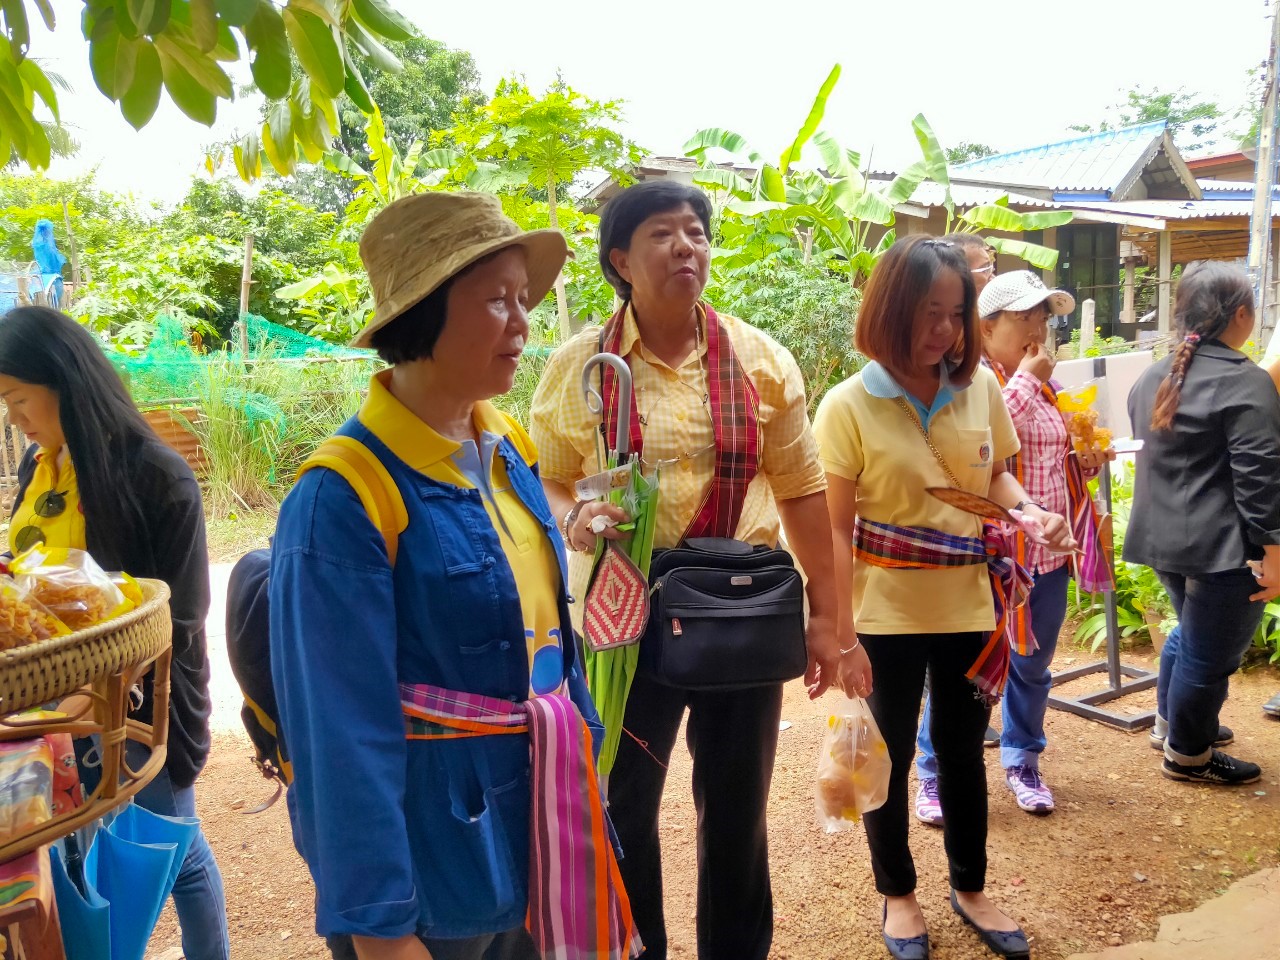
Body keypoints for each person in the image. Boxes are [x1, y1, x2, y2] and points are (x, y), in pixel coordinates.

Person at [270, 192, 635, 960]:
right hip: (434, 858)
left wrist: (582, 787)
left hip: (538, 815)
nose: (522, 322)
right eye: (495, 301)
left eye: (523, 299)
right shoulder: (344, 495)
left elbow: (549, 638)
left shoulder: (506, 444)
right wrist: (380, 926)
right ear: (424, 315)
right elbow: (338, 732)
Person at [528, 180, 871, 960]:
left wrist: (829, 622)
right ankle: (635, 948)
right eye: (662, 234)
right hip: (624, 623)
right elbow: (548, 476)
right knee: (621, 803)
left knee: (739, 812)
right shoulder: (581, 364)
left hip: (742, 617)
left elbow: (804, 496)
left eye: (697, 233)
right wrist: (573, 514)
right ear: (620, 258)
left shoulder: (760, 359)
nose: (687, 247)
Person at [813, 236, 1075, 960]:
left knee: (962, 752)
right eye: (929, 313)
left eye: (955, 314)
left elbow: (997, 480)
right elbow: (834, 532)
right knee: (886, 759)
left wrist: (1028, 514)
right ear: (890, 311)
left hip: (971, 608)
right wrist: (842, 635)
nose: (945, 332)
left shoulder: (979, 388)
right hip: (883, 615)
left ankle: (970, 886)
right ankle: (897, 895)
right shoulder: (846, 407)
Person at [0, 306, 227, 960]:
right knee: (93, 844)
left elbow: (179, 624)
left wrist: (102, 704)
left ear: (65, 381)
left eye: (18, 400)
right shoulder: (37, 471)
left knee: (175, 842)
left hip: (141, 704)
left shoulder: (158, 477)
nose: (14, 419)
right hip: (52, 710)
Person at [914, 270, 1113, 823]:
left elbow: (1049, 460)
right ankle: (931, 773)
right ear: (987, 324)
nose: (1038, 326)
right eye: (1026, 315)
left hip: (1045, 552)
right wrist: (1025, 381)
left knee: (1034, 664)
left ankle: (1022, 758)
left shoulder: (1045, 384)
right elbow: (982, 453)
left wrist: (1086, 461)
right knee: (961, 668)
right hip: (990, 553)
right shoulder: (967, 381)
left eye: (1044, 315)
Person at [1125, 261, 1280, 784]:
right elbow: (1260, 479)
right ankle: (1188, 754)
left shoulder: (1156, 373)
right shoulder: (1244, 380)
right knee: (1209, 657)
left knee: (1190, 636)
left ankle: (1170, 724)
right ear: (1241, 314)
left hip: (1163, 536)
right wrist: (1274, 550)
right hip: (1226, 548)